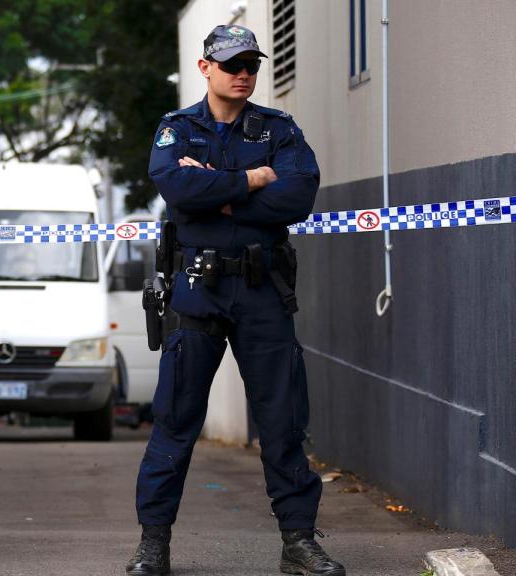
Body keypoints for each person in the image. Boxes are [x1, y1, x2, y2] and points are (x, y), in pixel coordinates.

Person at [126, 25, 345, 576]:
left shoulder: (278, 129)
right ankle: (153, 545)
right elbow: (176, 191)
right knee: (176, 420)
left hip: (262, 291)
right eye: (232, 65)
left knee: (282, 419)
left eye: (251, 64)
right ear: (206, 68)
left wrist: (220, 197)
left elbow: (297, 196)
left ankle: (299, 543)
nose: (243, 73)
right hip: (197, 292)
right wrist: (250, 181)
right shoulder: (177, 130)